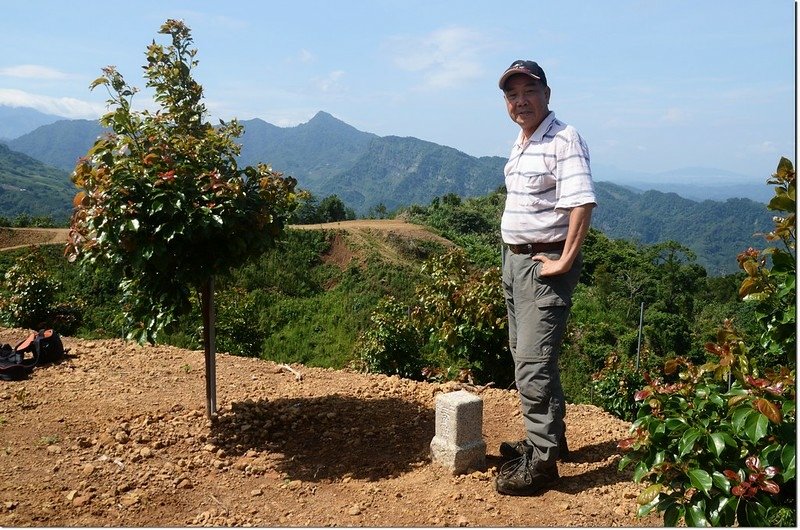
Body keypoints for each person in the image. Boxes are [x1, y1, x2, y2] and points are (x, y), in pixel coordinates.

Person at [494, 60, 596, 496]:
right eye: (512, 95)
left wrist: (565, 259)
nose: (521, 101)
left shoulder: (563, 138)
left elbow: (582, 203)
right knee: (526, 355)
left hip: (543, 264)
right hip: (514, 262)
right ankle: (550, 440)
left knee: (532, 365)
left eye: (528, 91)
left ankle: (541, 464)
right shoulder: (522, 142)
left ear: (547, 94)